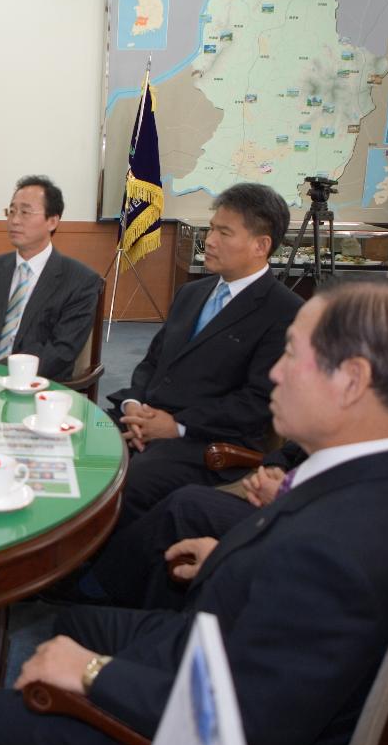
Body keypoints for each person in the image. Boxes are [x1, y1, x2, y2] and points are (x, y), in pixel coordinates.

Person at [0, 281, 388, 745]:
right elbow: (313, 607)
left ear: (352, 380)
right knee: (77, 618)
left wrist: (92, 672)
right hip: (252, 652)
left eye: (291, 355)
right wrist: (227, 559)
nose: (276, 375)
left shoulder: (327, 555)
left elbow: (246, 730)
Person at [82, 227, 388, 611]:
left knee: (185, 505)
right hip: (302, 494)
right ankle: (124, 595)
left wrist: (290, 494)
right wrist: (277, 465)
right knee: (178, 498)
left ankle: (103, 593)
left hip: (328, 534)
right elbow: (323, 432)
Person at [104, 183, 303, 525]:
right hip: (148, 417)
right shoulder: (191, 293)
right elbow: (153, 362)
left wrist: (177, 426)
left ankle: (107, 575)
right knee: (81, 440)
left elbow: (257, 402)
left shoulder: (285, 312)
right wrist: (135, 406)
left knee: (133, 482)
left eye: (224, 233)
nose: (209, 240)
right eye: (211, 228)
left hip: (209, 441)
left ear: (261, 245)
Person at [0, 176, 101, 381]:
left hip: (38, 387)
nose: (14, 220)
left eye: (25, 212)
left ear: (52, 221)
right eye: (11, 211)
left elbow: (61, 352)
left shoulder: (80, 281)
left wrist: (4, 375)